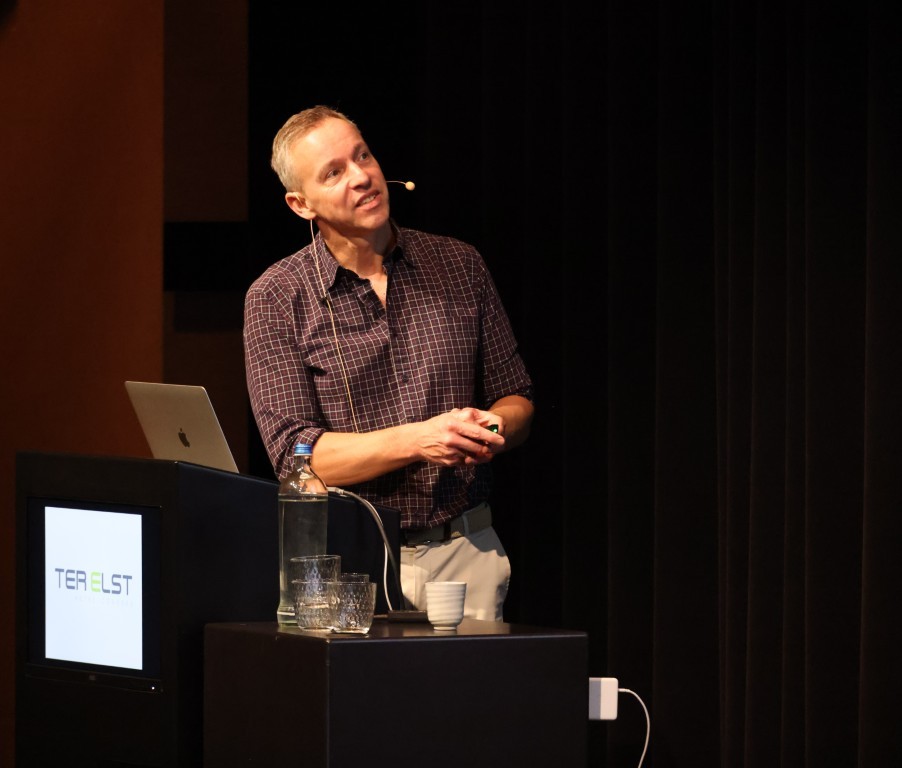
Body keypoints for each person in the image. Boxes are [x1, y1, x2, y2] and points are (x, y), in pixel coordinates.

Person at [243, 105, 534, 621]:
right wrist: (421, 439)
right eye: (334, 172)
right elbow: (295, 456)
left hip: (463, 551)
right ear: (300, 204)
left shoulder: (459, 264)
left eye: (363, 156)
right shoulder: (277, 296)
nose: (361, 177)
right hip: (346, 565)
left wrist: (489, 428)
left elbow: (516, 397)